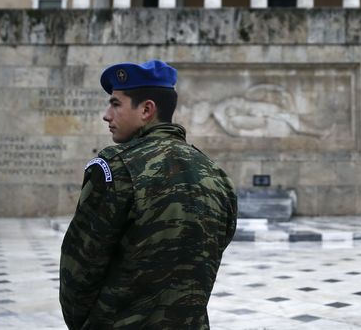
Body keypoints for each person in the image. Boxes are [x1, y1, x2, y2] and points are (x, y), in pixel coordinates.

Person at [59, 60, 238, 329]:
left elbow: (80, 268)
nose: (107, 115)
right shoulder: (214, 173)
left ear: (146, 110)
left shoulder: (115, 167)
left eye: (116, 104)